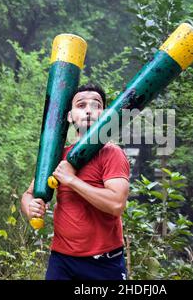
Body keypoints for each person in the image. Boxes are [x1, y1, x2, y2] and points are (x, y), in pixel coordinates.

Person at [21, 83, 130, 280]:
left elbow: (116, 204)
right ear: (70, 115)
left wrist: (71, 180)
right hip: (62, 260)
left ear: (104, 114)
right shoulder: (57, 155)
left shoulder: (112, 153)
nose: (89, 110)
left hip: (104, 263)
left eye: (96, 105)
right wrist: (31, 207)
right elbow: (28, 194)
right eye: (81, 105)